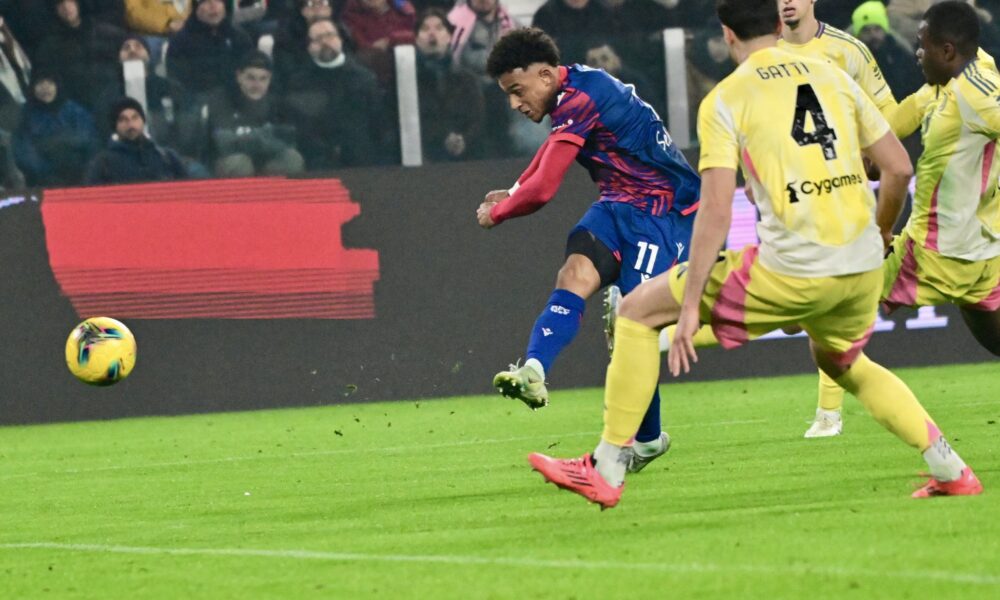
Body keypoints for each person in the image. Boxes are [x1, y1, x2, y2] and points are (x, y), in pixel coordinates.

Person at [527, 0, 983, 509]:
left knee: (635, 312)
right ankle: (952, 468)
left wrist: (689, 305)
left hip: (795, 264)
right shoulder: (832, 75)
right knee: (842, 359)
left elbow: (717, 214)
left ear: (726, 35)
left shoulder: (726, 99)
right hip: (859, 266)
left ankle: (606, 468)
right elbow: (898, 168)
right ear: (776, 24)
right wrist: (878, 238)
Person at [479, 28, 701, 472]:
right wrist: (513, 188)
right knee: (574, 276)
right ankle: (534, 372)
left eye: (517, 91)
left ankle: (648, 439)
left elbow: (544, 190)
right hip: (619, 203)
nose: (515, 104)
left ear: (545, 74)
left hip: (662, 213)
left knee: (633, 326)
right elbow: (547, 155)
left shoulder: (582, 96)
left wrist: (499, 212)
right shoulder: (574, 88)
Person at [809, 1, 1000, 436]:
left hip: (934, 253)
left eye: (923, 46)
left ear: (948, 51)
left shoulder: (976, 94)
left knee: (829, 302)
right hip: (983, 253)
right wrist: (861, 151)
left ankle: (836, 418)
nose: (916, 53)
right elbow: (895, 121)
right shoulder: (947, 84)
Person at [282, 18, 384, 169]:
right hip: (315, 163)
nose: (325, 42)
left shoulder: (364, 78)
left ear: (340, 40)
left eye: (330, 35)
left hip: (361, 161)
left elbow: (377, 123)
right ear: (309, 47)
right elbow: (298, 127)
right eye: (317, 39)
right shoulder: (298, 83)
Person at [205, 50, 304, 176]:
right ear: (239, 76)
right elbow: (224, 143)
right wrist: (265, 135)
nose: (257, 85)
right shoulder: (221, 100)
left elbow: (289, 141)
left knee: (292, 159)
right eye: (251, 78)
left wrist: (248, 138)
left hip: (268, 161)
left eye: (263, 79)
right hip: (229, 160)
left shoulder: (278, 103)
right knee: (240, 163)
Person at [414, 8, 484, 162]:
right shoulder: (407, 82)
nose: (432, 33)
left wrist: (463, 139)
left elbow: (477, 120)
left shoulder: (467, 80)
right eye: (425, 29)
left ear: (449, 37)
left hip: (466, 158)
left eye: (439, 28)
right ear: (417, 39)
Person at [13, 72, 99, 187]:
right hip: (42, 181)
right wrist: (45, 173)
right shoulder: (25, 115)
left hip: (79, 177)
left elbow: (91, 142)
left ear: (57, 85)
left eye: (50, 83)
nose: (45, 88)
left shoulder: (75, 111)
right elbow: (23, 150)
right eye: (39, 83)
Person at [85, 96, 188, 184]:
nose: (131, 125)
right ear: (115, 126)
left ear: (143, 120)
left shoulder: (166, 158)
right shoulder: (103, 164)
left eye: (135, 118)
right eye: (123, 120)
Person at [166, 0, 253, 99]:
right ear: (196, 8)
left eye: (218, 0)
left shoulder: (239, 37)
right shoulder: (181, 42)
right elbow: (178, 86)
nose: (213, 6)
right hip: (198, 104)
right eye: (206, 1)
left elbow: (250, 74)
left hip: (236, 102)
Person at [852, 1, 923, 99]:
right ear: (858, 35)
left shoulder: (900, 54)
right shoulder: (851, 59)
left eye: (877, 29)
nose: (873, 35)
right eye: (866, 31)